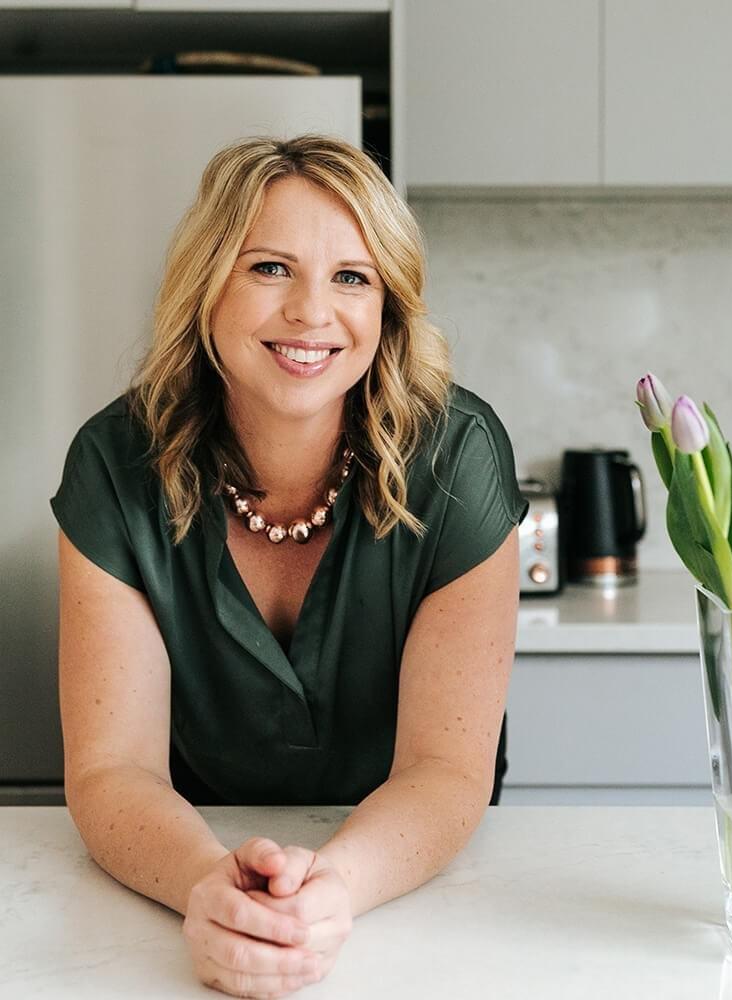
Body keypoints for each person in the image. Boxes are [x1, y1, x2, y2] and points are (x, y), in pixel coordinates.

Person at [51, 133, 526, 998]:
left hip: (404, 883)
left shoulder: (458, 456)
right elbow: (112, 771)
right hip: (187, 853)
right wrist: (209, 887)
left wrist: (332, 891)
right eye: (270, 268)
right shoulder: (113, 464)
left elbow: (447, 769)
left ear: (387, 305)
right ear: (207, 283)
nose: (312, 312)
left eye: (352, 277)